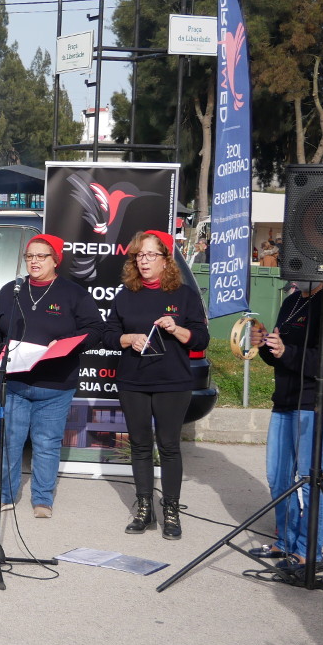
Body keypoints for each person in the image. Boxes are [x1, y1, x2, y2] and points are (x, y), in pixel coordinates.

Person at [0, 234, 103, 518]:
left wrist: (65, 343)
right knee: (10, 441)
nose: (34, 261)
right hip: (16, 383)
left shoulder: (73, 294)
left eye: (41, 256)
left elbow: (95, 330)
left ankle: (42, 500)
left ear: (55, 260)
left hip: (56, 385)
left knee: (46, 443)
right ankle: (4, 495)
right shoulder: (12, 290)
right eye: (29, 256)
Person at [103, 230, 209, 539]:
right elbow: (108, 335)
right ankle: (145, 509)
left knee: (169, 446)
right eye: (139, 255)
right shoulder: (126, 294)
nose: (144, 261)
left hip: (172, 381)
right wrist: (128, 338)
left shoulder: (184, 295)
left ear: (166, 260)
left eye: (151, 255)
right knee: (139, 445)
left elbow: (201, 338)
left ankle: (171, 512)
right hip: (133, 380)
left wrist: (177, 329)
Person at [248, 283, 323, 568]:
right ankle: (285, 541)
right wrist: (266, 346)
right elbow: (283, 356)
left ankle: (308, 552)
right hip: (287, 401)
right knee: (278, 476)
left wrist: (287, 352)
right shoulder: (292, 301)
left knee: (310, 480)